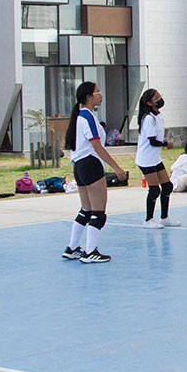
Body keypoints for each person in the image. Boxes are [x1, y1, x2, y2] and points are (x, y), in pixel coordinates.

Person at [61, 81, 127, 264]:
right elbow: (96, 146)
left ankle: (72, 248)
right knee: (99, 211)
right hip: (90, 165)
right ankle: (90, 251)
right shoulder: (87, 116)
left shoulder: (79, 117)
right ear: (89, 97)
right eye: (98, 92)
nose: (101, 95)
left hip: (80, 166)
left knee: (86, 210)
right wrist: (116, 167)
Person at [135, 88, 179, 229]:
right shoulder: (148, 118)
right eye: (156, 98)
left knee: (167, 186)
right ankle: (148, 219)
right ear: (149, 103)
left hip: (155, 158)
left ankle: (164, 217)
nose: (160, 100)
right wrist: (167, 144)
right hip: (146, 159)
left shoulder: (157, 116)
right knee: (154, 189)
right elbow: (152, 141)